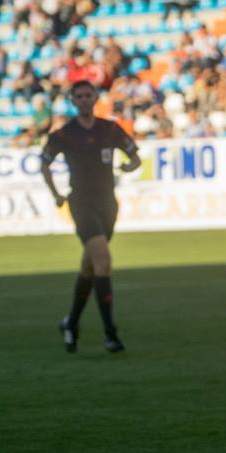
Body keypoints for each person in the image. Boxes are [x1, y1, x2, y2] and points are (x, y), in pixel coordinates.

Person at [41, 80, 141, 353]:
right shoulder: (64, 134)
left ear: (95, 98)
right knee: (104, 261)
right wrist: (56, 194)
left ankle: (70, 323)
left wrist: (129, 166)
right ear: (73, 101)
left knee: (90, 266)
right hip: (81, 203)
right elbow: (44, 163)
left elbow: (135, 156)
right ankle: (110, 334)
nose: (84, 99)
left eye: (88, 95)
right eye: (79, 96)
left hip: (107, 203)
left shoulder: (109, 129)